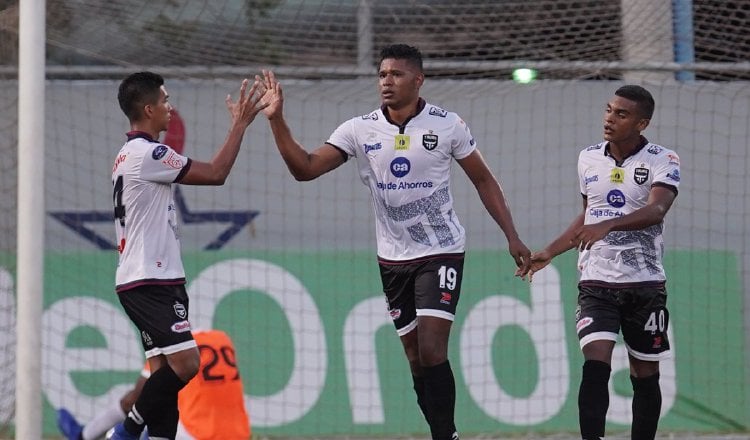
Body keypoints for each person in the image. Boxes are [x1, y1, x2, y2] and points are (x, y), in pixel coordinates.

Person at [257, 44, 531, 440]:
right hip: (392, 258)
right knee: (416, 359)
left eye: (397, 74)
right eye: (383, 74)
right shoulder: (358, 129)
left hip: (441, 250)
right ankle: (442, 430)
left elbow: (483, 179)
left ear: (418, 81)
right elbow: (305, 169)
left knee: (433, 349)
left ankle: (446, 435)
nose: (387, 81)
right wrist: (277, 119)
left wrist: (512, 235)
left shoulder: (447, 125)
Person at [107, 71, 267, 440]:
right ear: (148, 109)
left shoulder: (124, 155)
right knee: (187, 364)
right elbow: (216, 173)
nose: (170, 106)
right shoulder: (149, 153)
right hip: (151, 279)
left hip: (144, 278)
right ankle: (125, 432)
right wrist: (240, 125)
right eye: (164, 100)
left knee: (164, 374)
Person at [527, 85, 680, 440]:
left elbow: (657, 210)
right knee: (595, 366)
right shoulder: (588, 158)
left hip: (645, 283)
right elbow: (588, 216)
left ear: (641, 123)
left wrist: (609, 223)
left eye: (621, 114)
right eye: (609, 110)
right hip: (597, 283)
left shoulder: (662, 159)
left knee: (645, 375)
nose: (610, 118)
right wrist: (549, 252)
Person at [56, 329, 251, 440]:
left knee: (149, 420)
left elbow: (134, 399)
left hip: (196, 435)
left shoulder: (170, 349)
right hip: (240, 435)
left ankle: (82, 436)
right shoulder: (220, 338)